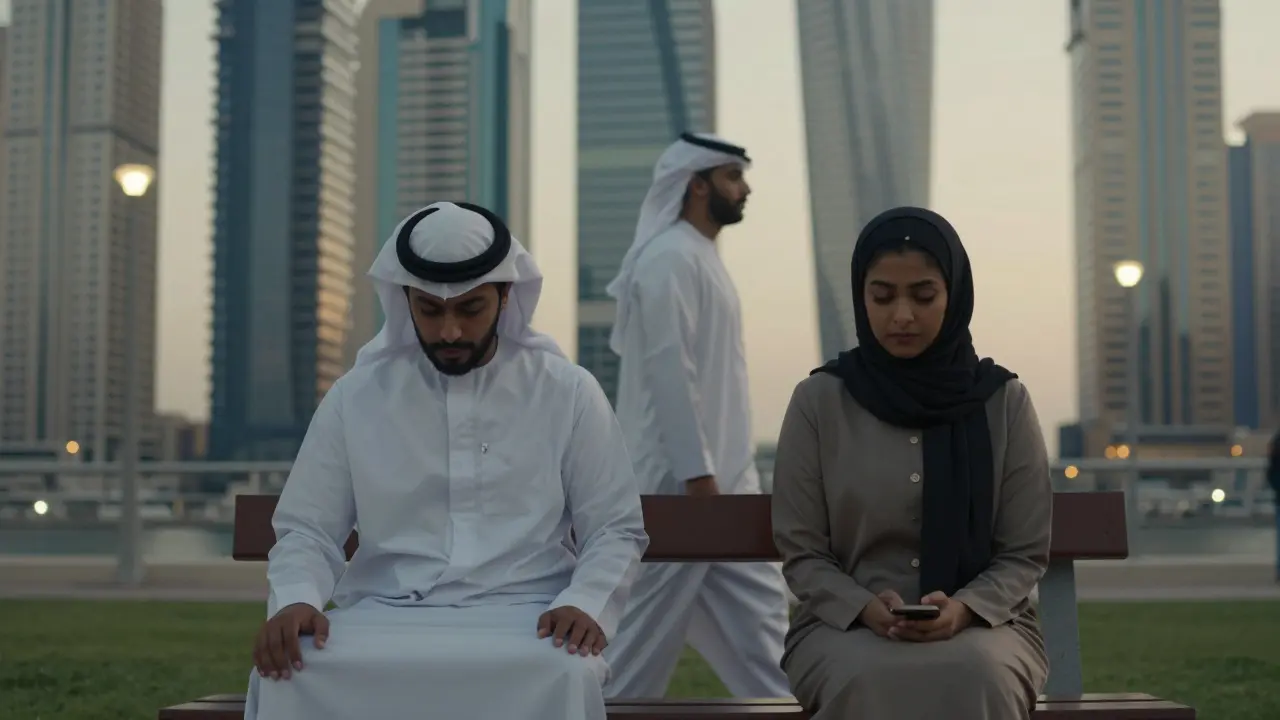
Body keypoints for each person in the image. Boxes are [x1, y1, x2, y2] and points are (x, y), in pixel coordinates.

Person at [243, 202, 650, 720]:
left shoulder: (567, 391)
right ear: (405, 300)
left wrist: (586, 603)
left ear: (505, 296)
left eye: (470, 309)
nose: (450, 331)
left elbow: (614, 528)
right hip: (385, 614)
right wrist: (296, 597)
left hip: (529, 616)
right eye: (431, 311)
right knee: (287, 673)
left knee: (564, 671)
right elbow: (308, 529)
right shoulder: (357, 396)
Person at [771, 206, 1053, 719]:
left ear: (955, 296)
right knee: (866, 673)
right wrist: (861, 606)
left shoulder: (1002, 402)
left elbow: (1023, 553)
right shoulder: (819, 401)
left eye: (923, 296)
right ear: (861, 298)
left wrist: (966, 608)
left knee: (978, 672)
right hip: (841, 627)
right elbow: (802, 550)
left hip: (990, 625)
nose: (902, 315)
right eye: (882, 296)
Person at [601, 133, 791, 699]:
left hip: (721, 489)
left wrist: (725, 484)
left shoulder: (698, 257)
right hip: (677, 490)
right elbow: (670, 374)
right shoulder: (667, 259)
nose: (746, 188)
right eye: (734, 176)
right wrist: (698, 479)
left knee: (773, 647)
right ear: (698, 185)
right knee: (630, 654)